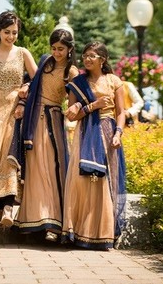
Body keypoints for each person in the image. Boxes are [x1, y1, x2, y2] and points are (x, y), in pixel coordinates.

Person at [14, 29, 79, 242]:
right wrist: (24, 95)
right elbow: (32, 85)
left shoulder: (72, 71)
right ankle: (33, 223)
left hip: (53, 120)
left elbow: (73, 100)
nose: (56, 52)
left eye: (61, 49)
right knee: (34, 169)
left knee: (53, 168)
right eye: (53, 48)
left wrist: (78, 108)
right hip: (33, 119)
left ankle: (53, 220)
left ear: (70, 49)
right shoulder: (45, 62)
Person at [63, 42, 127, 250]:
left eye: (92, 56)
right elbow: (72, 116)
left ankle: (102, 233)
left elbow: (121, 112)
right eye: (85, 55)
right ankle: (80, 232)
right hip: (85, 134)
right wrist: (93, 106)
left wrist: (118, 134)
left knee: (104, 182)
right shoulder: (78, 83)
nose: (87, 59)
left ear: (103, 59)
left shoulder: (114, 81)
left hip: (108, 134)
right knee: (82, 182)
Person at [0, 11, 37, 228]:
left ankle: (8, 207)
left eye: (14, 32)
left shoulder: (23, 53)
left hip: (15, 110)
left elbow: (38, 78)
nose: (11, 36)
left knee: (9, 155)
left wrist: (26, 88)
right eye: (7, 32)